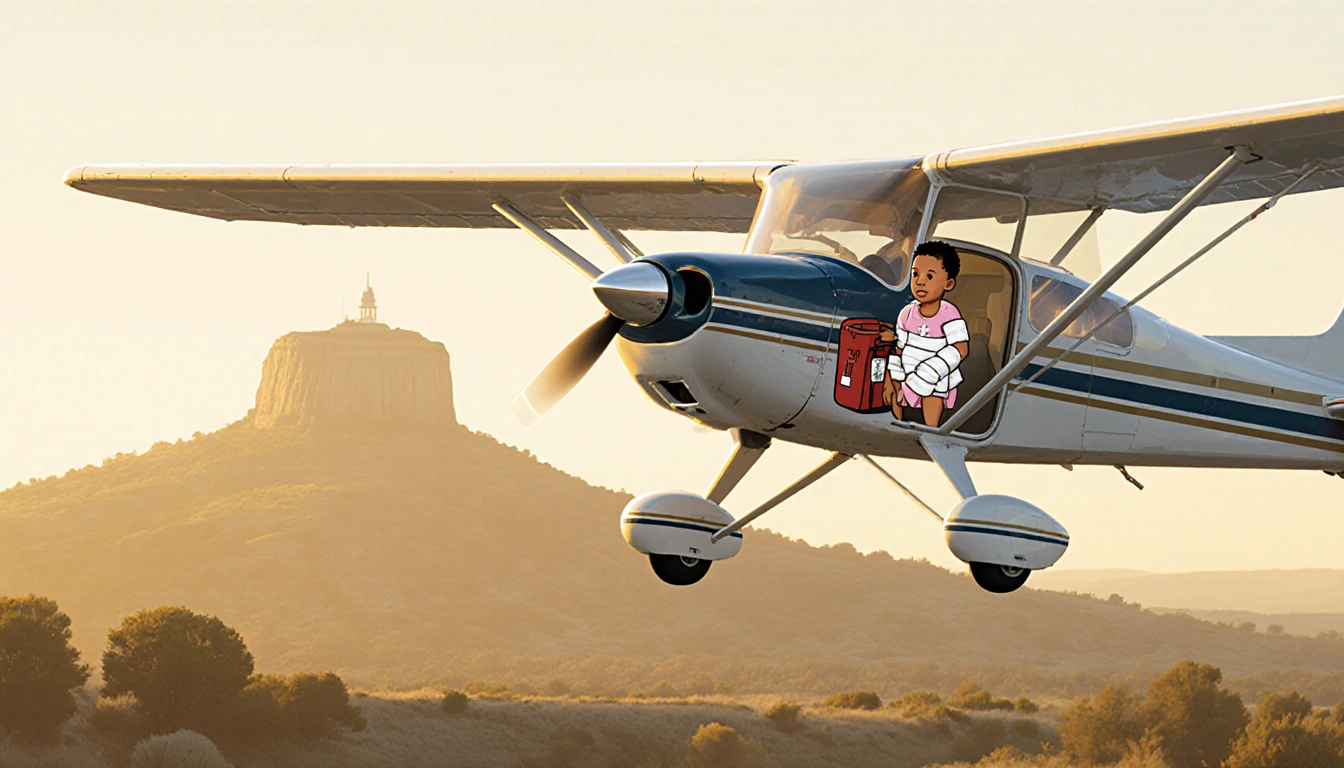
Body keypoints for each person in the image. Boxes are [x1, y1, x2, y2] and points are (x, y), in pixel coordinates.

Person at [882, 241, 969, 427]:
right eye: (915, 274)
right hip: (906, 375)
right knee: (897, 406)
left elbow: (961, 349)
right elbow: (899, 350)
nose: (920, 281)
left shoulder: (949, 313)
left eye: (930, 276)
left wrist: (925, 376)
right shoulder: (906, 313)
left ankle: (931, 428)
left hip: (936, 380)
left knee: (932, 400)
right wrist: (893, 379)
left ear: (949, 283)